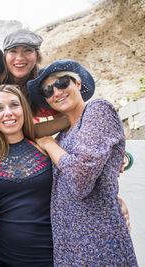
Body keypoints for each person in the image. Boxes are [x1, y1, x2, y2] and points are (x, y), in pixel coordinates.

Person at [27, 59, 138, 265]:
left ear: (78, 84)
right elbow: (28, 132)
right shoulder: (63, 135)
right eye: (48, 91)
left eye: (61, 83)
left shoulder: (98, 109)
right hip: (69, 245)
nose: (56, 92)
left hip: (99, 242)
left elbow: (80, 178)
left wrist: (49, 145)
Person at [0, 84, 53, 266]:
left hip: (52, 252)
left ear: (23, 109)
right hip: (6, 255)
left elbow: (82, 168)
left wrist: (124, 158)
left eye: (14, 105)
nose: (8, 113)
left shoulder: (45, 147)